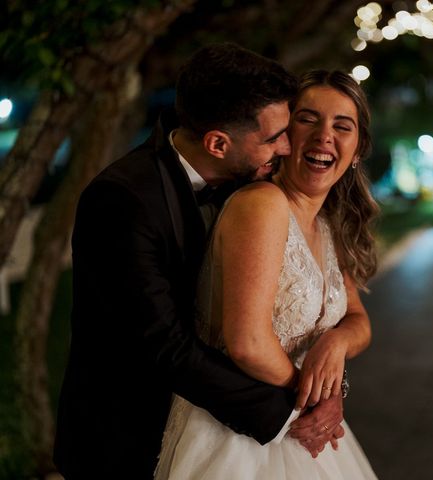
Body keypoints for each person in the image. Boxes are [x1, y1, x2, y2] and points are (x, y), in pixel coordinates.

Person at [53, 44, 347, 479]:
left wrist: (332, 358)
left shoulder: (245, 180)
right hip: (127, 434)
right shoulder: (123, 198)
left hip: (212, 423)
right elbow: (163, 344)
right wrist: (299, 403)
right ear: (217, 143)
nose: (286, 148)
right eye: (272, 138)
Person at [155, 70, 379, 479]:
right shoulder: (262, 205)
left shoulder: (327, 223)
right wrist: (313, 400)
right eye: (308, 119)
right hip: (237, 431)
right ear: (284, 133)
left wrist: (335, 342)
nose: (324, 135)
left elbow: (359, 320)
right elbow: (247, 342)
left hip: (297, 423)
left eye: (341, 126)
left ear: (358, 148)